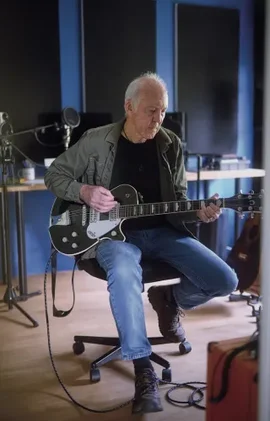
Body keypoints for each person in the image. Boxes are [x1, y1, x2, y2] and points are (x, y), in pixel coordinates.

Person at [44, 72, 238, 414]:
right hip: (111, 237)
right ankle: (143, 367)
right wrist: (84, 191)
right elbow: (55, 175)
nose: (157, 119)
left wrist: (200, 214)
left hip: (163, 233)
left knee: (225, 280)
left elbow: (179, 201)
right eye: (150, 110)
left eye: (162, 111)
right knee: (123, 271)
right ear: (129, 106)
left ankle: (170, 298)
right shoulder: (95, 140)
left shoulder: (170, 144)